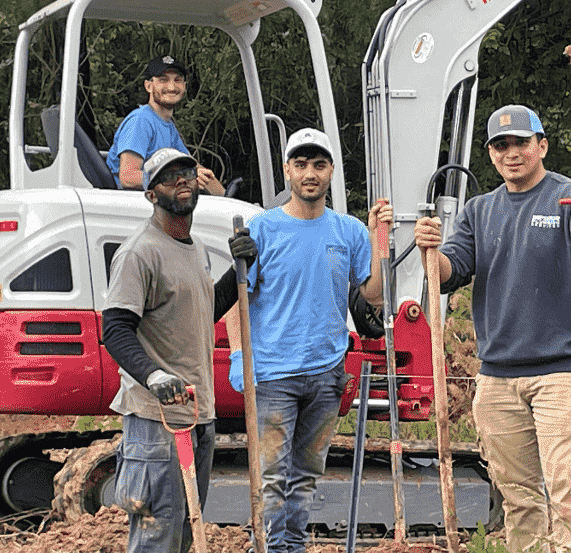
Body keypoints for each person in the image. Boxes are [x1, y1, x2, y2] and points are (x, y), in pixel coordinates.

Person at [414, 104, 571, 553]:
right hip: (497, 379)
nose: (511, 153)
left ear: (542, 146)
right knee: (518, 501)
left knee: (570, 492)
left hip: (563, 374)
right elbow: (449, 271)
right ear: (492, 153)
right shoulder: (479, 210)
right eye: (501, 145)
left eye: (521, 143)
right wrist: (429, 249)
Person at [227, 127, 393, 553]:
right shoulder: (262, 230)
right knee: (270, 478)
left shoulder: (349, 231)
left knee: (304, 477)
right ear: (288, 171)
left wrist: (379, 238)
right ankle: (265, 547)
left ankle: (292, 548)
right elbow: (235, 300)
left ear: (331, 171)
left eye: (319, 165)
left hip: (325, 375)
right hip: (273, 375)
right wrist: (239, 355)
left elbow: (370, 294)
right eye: (301, 165)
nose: (310, 173)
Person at [102, 147, 257, 553]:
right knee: (158, 538)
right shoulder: (140, 252)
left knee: (185, 536)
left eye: (187, 172)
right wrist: (154, 377)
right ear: (152, 194)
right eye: (170, 177)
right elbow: (115, 329)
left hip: (198, 414)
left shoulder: (196, 247)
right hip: (157, 424)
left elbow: (202, 312)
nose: (183, 180)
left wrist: (240, 269)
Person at [106, 55, 224, 195]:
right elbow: (128, 178)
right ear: (148, 86)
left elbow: (196, 170)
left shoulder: (168, 127)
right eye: (163, 80)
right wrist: (175, 178)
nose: (171, 87)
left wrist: (229, 199)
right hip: (132, 206)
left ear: (184, 86)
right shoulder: (141, 120)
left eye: (177, 80)